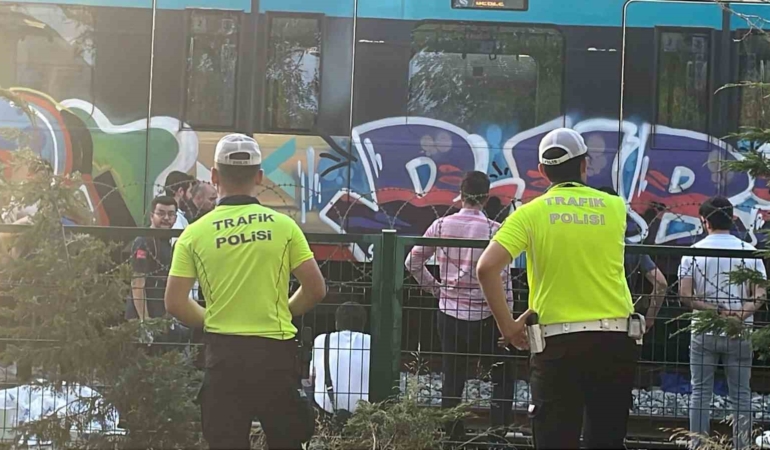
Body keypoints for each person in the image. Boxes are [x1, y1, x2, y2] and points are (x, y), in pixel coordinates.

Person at [476, 128, 639, 450]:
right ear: (584, 165)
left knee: (554, 439)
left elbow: (486, 268)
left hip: (558, 346)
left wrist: (509, 327)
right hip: (615, 341)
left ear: (541, 171)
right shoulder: (615, 207)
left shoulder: (530, 214)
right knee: (606, 440)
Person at [164, 133, 326, 450]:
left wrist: (211, 318)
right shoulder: (284, 227)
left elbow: (174, 302)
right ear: (260, 177)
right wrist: (283, 311)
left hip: (224, 358)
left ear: (213, 175)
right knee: (286, 441)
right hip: (275, 358)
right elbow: (315, 289)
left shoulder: (193, 234)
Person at [406, 171, 515, 442]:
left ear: (461, 195)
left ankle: (452, 437)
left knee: (453, 376)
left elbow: (412, 262)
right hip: (486, 317)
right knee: (502, 374)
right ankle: (497, 435)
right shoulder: (494, 230)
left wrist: (436, 288)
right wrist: (508, 321)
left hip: (450, 314)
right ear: (486, 197)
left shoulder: (441, 226)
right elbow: (504, 280)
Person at [679, 196, 766, 450]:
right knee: (741, 393)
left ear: (704, 221)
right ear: (733, 218)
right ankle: (742, 446)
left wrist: (714, 310)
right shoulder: (749, 251)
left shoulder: (693, 253)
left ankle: (699, 445)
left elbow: (685, 295)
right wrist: (741, 313)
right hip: (739, 331)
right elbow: (760, 292)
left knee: (700, 392)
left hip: (703, 331)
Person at [598, 186, 668, 331]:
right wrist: (649, 320)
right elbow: (660, 283)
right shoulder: (631, 247)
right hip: (622, 319)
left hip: (588, 318)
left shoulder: (584, 245)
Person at [310, 301, 370, 416]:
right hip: (364, 411)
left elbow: (311, 376)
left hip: (326, 408)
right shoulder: (371, 342)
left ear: (336, 324)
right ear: (363, 324)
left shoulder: (322, 340)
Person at [127, 196, 177, 321]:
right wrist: (144, 319)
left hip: (161, 315)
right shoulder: (143, 241)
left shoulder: (169, 241)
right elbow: (137, 283)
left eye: (171, 214)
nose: (166, 218)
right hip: (142, 316)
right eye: (161, 213)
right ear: (151, 216)